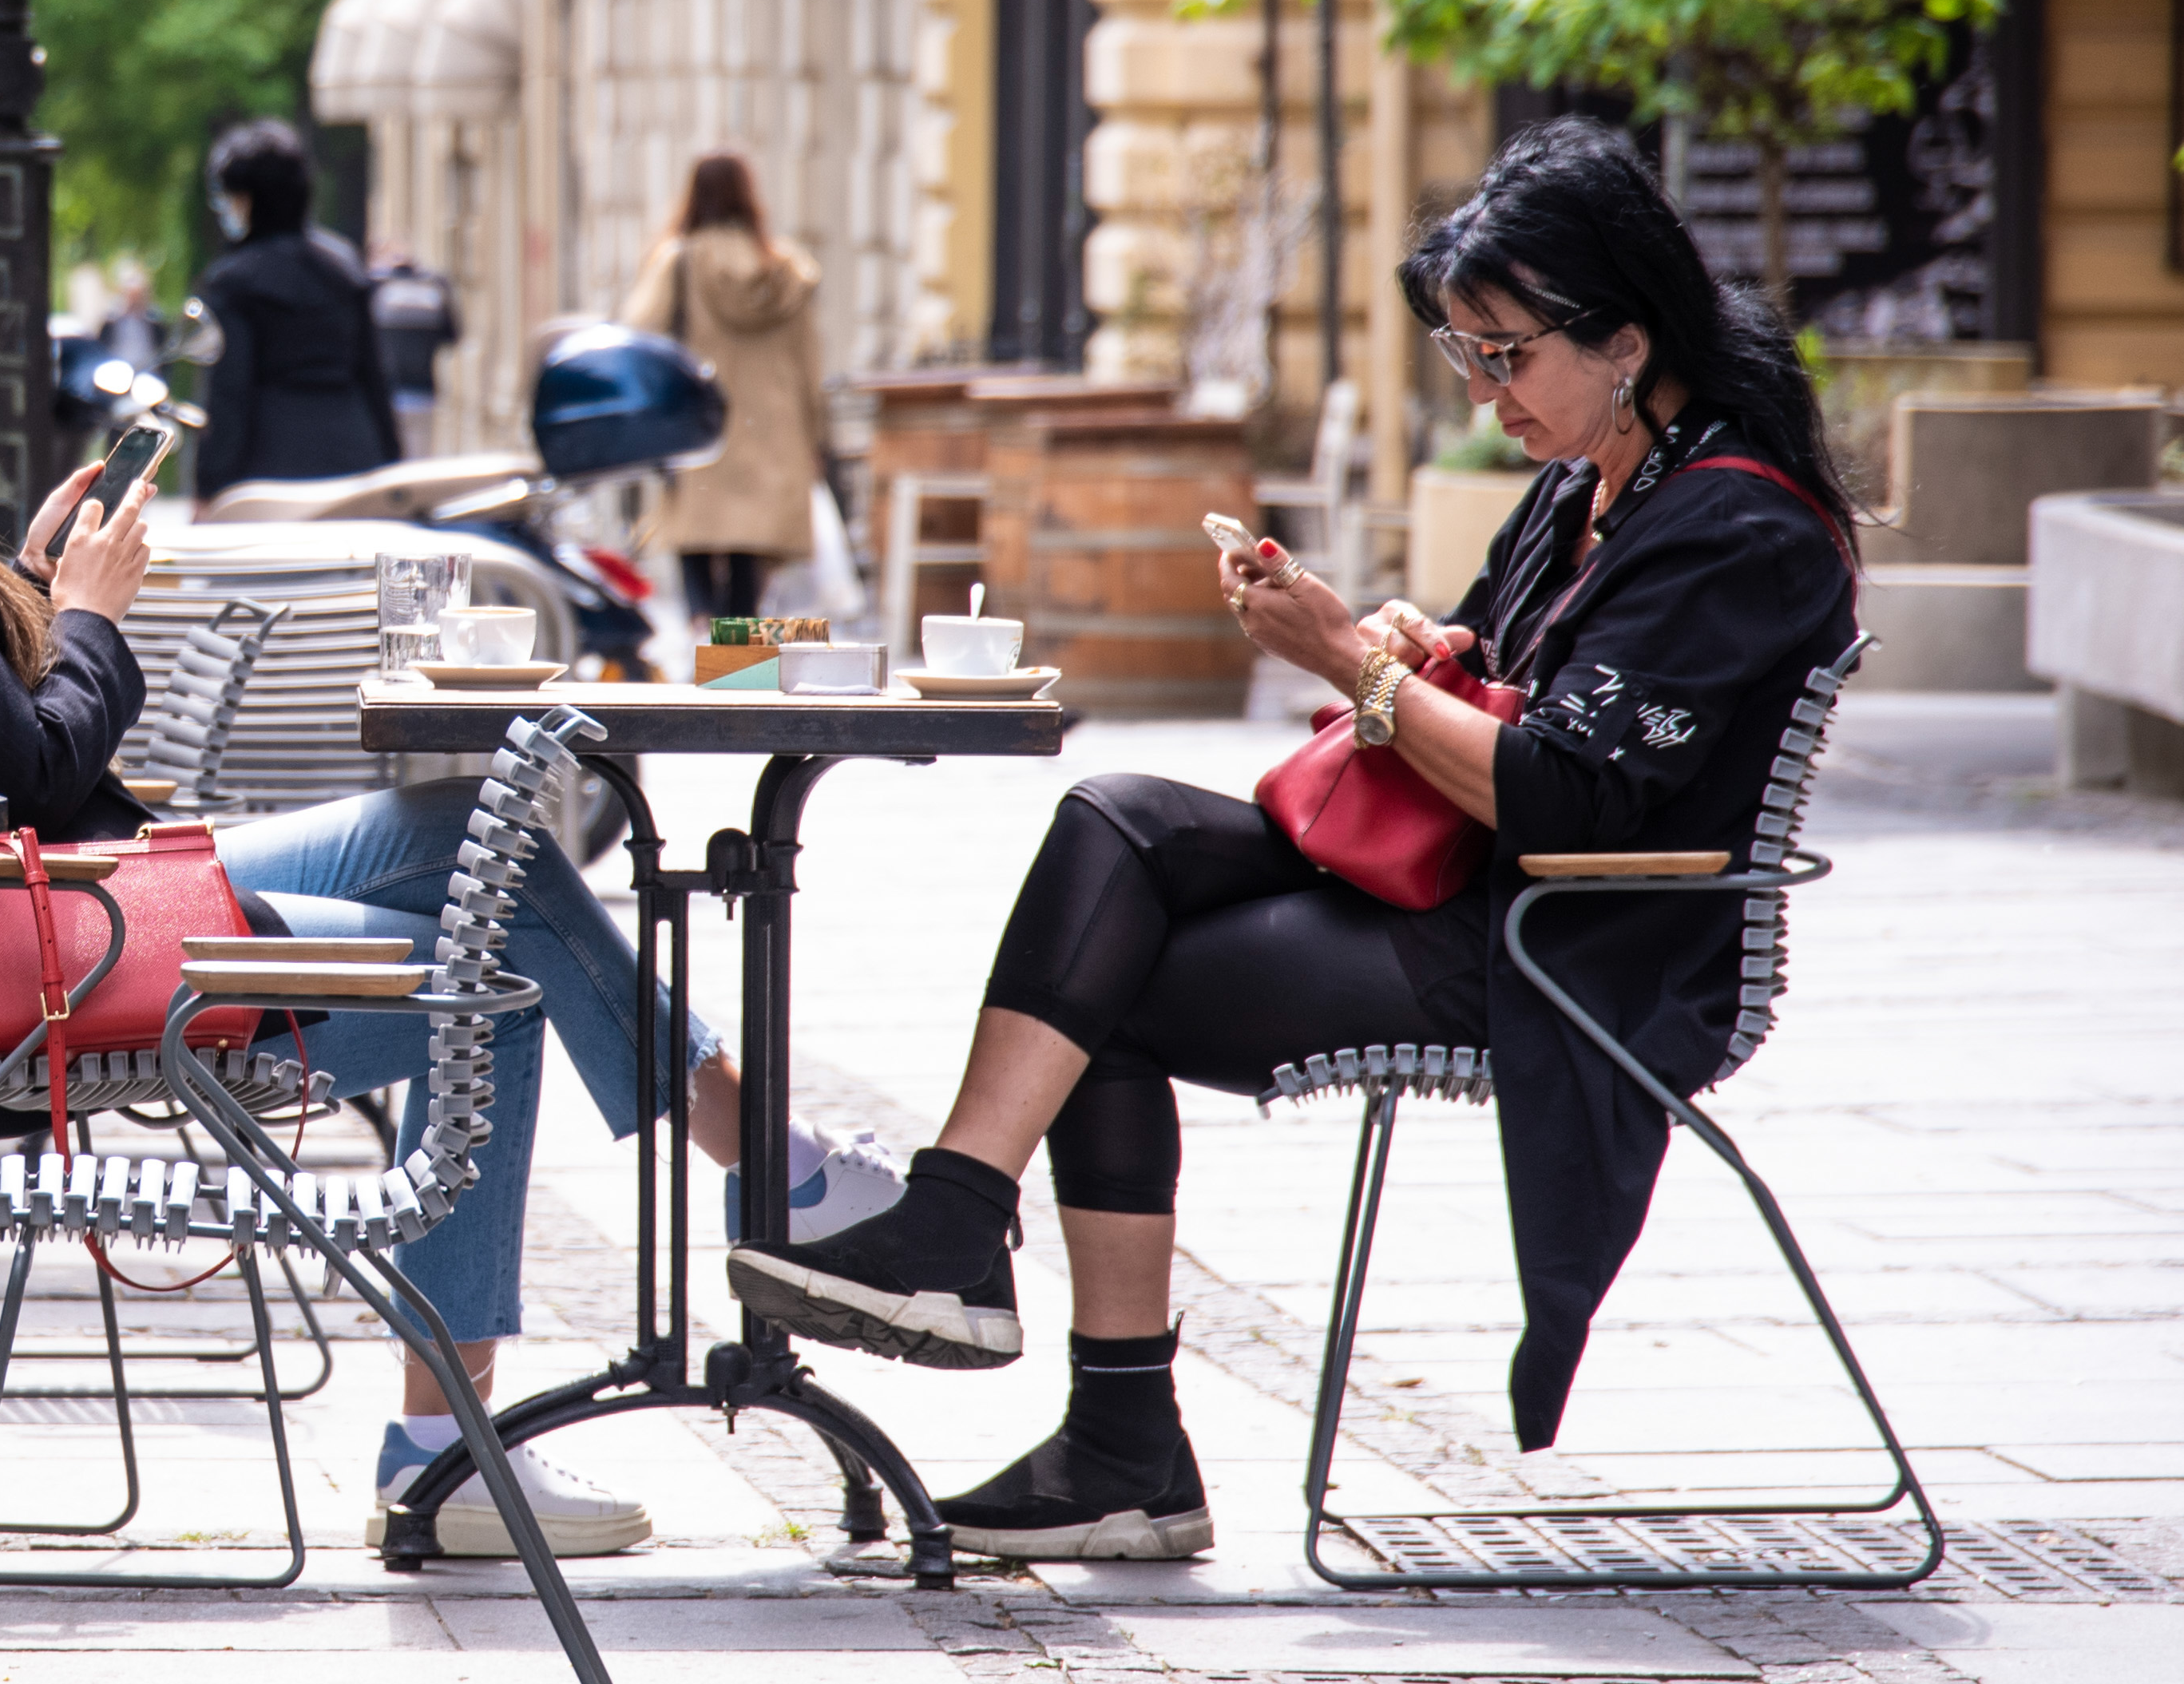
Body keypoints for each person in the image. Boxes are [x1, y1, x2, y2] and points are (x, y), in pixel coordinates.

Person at [0, 167, 904, 1561]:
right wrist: (85, 618)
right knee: (479, 984)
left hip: (32, 916)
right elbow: (31, 764)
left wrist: (15, 582)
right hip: (28, 953)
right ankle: (516, 1395)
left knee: (466, 830)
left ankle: (749, 1182)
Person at [725, 118, 1861, 1560]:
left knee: (1103, 983)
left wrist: (1354, 669)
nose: (1482, 388)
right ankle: (983, 1252)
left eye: (1504, 353)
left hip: (1574, 941)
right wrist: (1409, 642)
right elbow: (1497, 665)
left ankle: (1104, 1421)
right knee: (1113, 821)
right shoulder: (1593, 482)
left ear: (1624, 337)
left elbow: (1564, 793)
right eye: (1464, 354)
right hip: (1476, 877)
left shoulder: (1732, 528)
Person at [616, 150, 828, 626]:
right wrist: (817, 436)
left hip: (702, 425)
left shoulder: (680, 263)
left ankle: (701, 626)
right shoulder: (785, 273)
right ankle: (740, 649)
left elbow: (638, 331)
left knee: (696, 530)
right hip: (773, 428)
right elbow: (809, 364)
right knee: (749, 547)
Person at [189, 120, 403, 502]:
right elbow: (373, 376)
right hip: (356, 456)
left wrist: (209, 486)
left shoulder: (232, 281)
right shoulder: (344, 267)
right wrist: (392, 466)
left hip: (267, 470)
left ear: (247, 199)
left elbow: (229, 394)